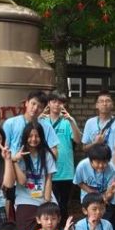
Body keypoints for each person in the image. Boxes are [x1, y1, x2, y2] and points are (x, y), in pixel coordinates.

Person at [12, 121, 56, 230]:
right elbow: (22, 181)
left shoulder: (47, 155)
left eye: (37, 136)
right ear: (25, 137)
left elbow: (48, 179)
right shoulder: (20, 155)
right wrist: (15, 161)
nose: (33, 139)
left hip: (43, 197)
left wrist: (46, 202)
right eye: (30, 136)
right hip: (25, 199)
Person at [41, 92, 80, 222]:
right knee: (48, 204)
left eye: (60, 102)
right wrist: (39, 116)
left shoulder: (67, 121)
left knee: (63, 205)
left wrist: (72, 121)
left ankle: (63, 229)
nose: (57, 105)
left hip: (65, 170)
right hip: (46, 169)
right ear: (48, 103)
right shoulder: (42, 120)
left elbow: (78, 140)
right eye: (54, 101)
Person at [3, 91, 59, 158]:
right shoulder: (10, 123)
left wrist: (47, 162)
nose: (35, 108)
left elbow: (54, 150)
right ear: (26, 103)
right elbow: (4, 148)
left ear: (43, 109)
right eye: (33, 104)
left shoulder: (46, 126)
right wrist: (13, 159)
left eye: (40, 106)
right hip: (15, 162)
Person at [81, 90, 115, 171]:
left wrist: (114, 171)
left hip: (112, 166)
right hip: (93, 168)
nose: (105, 104)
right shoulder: (90, 123)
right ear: (97, 105)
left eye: (108, 101)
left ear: (112, 105)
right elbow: (84, 148)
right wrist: (95, 143)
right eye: (101, 101)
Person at [74, 143, 115, 223]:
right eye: (98, 162)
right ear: (91, 161)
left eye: (105, 162)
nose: (101, 165)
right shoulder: (82, 166)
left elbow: (110, 192)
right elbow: (79, 182)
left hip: (106, 197)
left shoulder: (112, 170)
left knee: (105, 221)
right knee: (90, 221)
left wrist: (105, 197)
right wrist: (92, 192)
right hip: (88, 197)